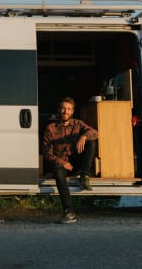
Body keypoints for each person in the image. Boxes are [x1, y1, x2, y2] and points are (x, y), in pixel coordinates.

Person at [42, 96, 98, 224]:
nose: (65, 112)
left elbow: (94, 132)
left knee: (91, 142)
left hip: (76, 162)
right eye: (63, 108)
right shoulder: (50, 128)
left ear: (72, 111)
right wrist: (63, 163)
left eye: (68, 109)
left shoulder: (78, 124)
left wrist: (84, 136)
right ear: (58, 110)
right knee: (58, 170)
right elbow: (46, 153)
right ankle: (69, 212)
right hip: (60, 164)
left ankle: (84, 177)